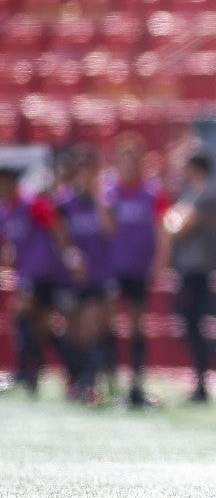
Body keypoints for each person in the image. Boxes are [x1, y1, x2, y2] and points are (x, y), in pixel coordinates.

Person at [0, 164, 84, 395]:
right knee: (39, 327)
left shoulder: (30, 203)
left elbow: (56, 226)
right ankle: (66, 372)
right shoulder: (4, 209)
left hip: (44, 270)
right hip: (27, 272)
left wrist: (69, 255)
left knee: (24, 317)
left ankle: (28, 373)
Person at [104, 134, 168, 407]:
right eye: (124, 158)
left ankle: (136, 385)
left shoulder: (152, 192)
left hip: (139, 268)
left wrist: (160, 263)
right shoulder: (110, 193)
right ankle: (108, 383)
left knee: (137, 327)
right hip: (114, 268)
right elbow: (106, 229)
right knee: (108, 324)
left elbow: (161, 230)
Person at [56, 146, 115, 404]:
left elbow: (110, 231)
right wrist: (70, 255)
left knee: (92, 327)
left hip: (98, 277)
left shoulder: (105, 202)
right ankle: (75, 378)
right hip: (71, 279)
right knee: (72, 332)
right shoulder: (64, 203)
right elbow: (59, 237)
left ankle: (89, 383)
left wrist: (99, 199)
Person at [163, 151, 216, 403]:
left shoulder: (208, 192)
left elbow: (179, 225)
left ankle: (202, 382)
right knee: (189, 324)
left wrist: (175, 222)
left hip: (198, 267)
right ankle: (199, 380)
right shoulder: (192, 192)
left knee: (195, 323)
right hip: (188, 265)